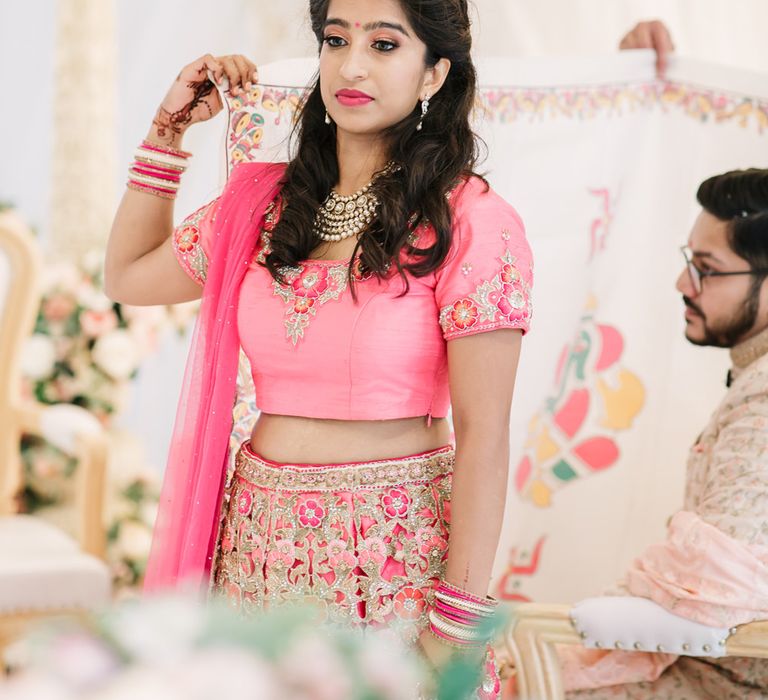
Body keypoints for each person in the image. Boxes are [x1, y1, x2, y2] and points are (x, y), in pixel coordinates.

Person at [104, 0, 532, 691]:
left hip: (390, 559)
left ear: (435, 73)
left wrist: (454, 621)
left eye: (386, 45)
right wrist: (168, 130)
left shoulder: (473, 222)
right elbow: (128, 274)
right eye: (336, 40)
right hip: (255, 548)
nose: (352, 65)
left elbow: (485, 436)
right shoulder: (267, 208)